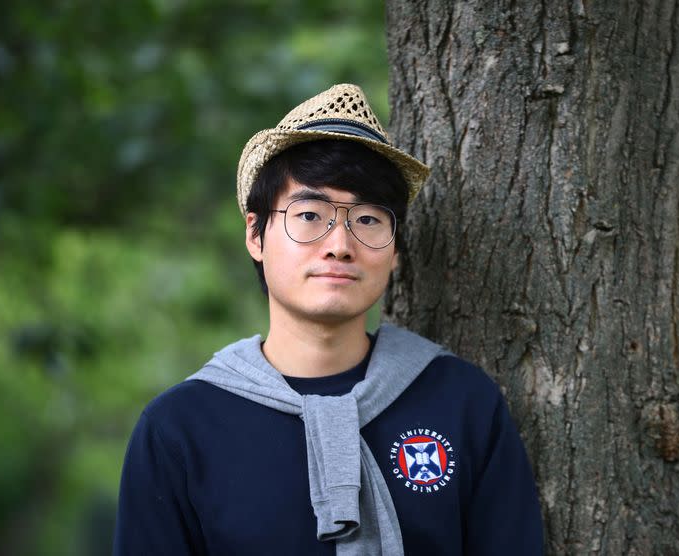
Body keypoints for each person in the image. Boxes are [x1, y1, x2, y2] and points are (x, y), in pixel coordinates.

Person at [113, 83, 544, 555]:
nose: (340, 244)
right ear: (256, 235)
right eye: (311, 215)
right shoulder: (180, 428)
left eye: (367, 219)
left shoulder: (463, 403)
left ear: (396, 251)